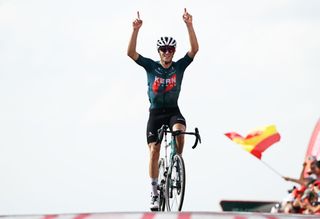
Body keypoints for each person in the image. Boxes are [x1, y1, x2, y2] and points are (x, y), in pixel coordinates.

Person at [127, 8, 199, 211]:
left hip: (173, 110)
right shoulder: (150, 66)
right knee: (154, 151)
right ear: (159, 52)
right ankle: (154, 191)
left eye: (170, 50)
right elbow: (131, 53)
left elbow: (194, 50)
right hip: (155, 114)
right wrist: (135, 30)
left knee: (180, 132)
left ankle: (177, 164)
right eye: (164, 49)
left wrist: (189, 25)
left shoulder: (179, 66)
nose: (167, 52)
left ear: (173, 52)